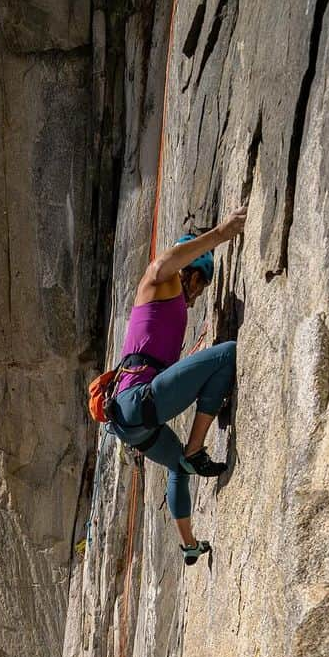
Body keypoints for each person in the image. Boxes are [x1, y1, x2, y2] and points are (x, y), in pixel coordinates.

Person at [106, 208, 246, 564]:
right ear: (191, 273)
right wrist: (221, 233)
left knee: (179, 467)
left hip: (130, 423)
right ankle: (196, 447)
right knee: (227, 354)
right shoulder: (160, 282)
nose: (196, 296)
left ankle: (189, 545)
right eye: (199, 285)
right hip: (137, 402)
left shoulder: (168, 303)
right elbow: (161, 264)